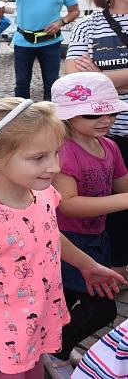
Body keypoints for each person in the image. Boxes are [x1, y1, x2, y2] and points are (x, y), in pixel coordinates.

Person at [0, 97, 125, 379]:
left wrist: (87, 264)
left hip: (38, 318)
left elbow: (50, 235)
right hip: (4, 333)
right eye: (39, 157)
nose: (54, 166)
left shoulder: (42, 194)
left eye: (55, 153)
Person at [47, 72, 128, 372]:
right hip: (68, 241)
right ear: (68, 116)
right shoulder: (64, 152)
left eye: (109, 110)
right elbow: (69, 205)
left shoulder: (110, 147)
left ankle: (49, 347)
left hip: (97, 239)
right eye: (93, 113)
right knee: (102, 309)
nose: (105, 119)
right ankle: (56, 351)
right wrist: (123, 201)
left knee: (63, 303)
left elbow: (124, 186)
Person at [65, 0, 128, 279]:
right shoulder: (89, 26)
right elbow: (74, 80)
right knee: (112, 205)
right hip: (108, 134)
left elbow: (89, 80)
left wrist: (101, 76)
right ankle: (114, 264)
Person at [0, 0, 80, 100]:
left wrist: (61, 22)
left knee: (51, 83)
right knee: (22, 84)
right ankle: (22, 118)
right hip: (24, 41)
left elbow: (74, 11)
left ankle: (51, 118)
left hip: (50, 41)